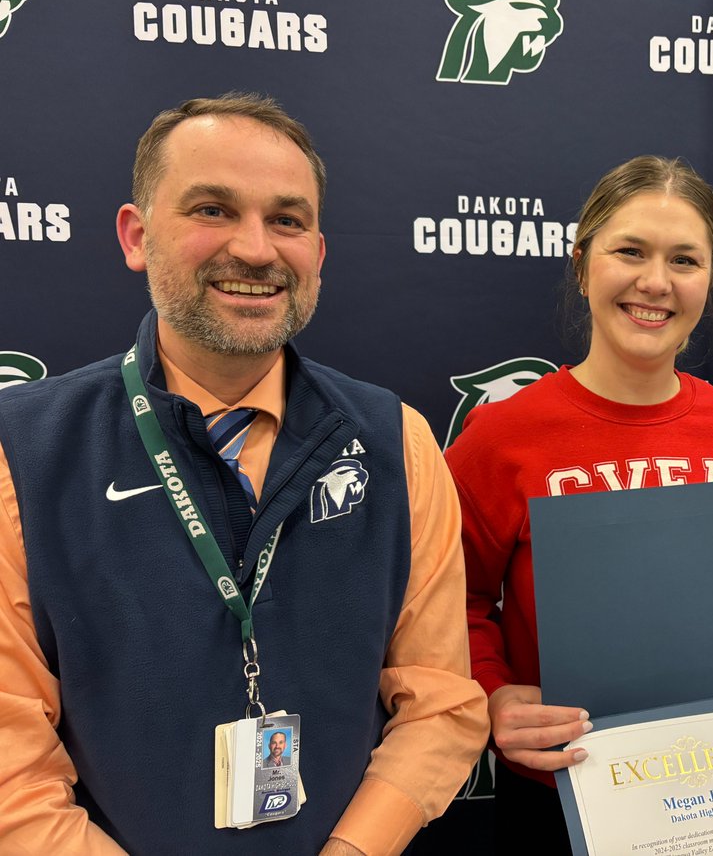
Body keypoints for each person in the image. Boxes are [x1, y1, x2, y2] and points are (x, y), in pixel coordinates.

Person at [0, 93, 489, 855]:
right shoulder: (22, 451)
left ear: (318, 254)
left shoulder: (396, 441)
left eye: (287, 220)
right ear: (137, 236)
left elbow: (443, 705)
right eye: (213, 210)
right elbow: (9, 762)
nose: (257, 250)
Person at [444, 155, 713, 852]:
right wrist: (495, 694)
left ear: (710, 282)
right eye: (630, 251)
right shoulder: (501, 435)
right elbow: (450, 602)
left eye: (685, 259)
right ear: (583, 263)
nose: (656, 281)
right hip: (565, 794)